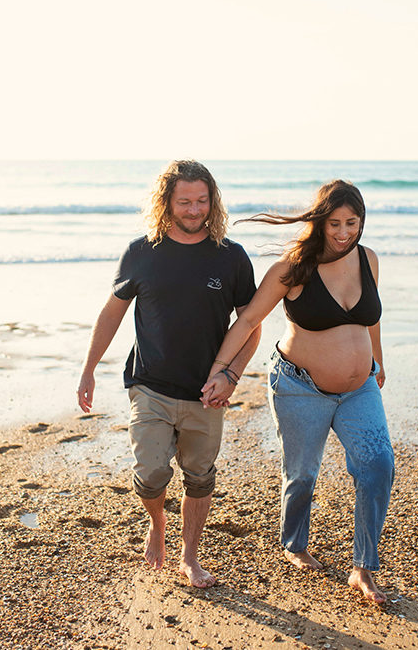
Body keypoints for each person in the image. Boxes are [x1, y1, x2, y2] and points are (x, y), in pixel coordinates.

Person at [200, 179, 394, 603]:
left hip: (359, 388)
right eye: (336, 223)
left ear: (362, 222)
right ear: (320, 221)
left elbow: (371, 317)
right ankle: (295, 545)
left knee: (378, 465)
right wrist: (220, 370)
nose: (344, 232)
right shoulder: (294, 268)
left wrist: (377, 361)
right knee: (302, 474)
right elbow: (249, 319)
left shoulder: (369, 260)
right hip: (298, 386)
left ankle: (363, 568)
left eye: (353, 223)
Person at [78, 160, 260, 588]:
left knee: (199, 477)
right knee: (152, 472)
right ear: (167, 203)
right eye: (185, 202)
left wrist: (229, 376)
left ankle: (190, 557)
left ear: (212, 201)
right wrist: (88, 369)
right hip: (151, 385)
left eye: (202, 201)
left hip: (206, 391)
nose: (195, 210)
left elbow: (249, 326)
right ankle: (157, 524)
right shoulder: (142, 253)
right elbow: (111, 314)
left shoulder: (231, 257)